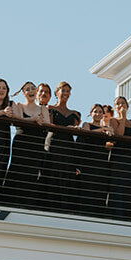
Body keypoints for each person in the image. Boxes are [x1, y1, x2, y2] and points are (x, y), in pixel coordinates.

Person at [49, 81, 82, 209]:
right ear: (57, 93)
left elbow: (76, 128)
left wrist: (74, 129)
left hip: (68, 146)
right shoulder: (50, 109)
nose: (65, 93)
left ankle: (66, 205)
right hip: (55, 143)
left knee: (67, 172)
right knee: (54, 171)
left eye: (68, 91)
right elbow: (49, 126)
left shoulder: (75, 113)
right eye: (63, 90)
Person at [106, 93, 131, 220]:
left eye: (123, 103)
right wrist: (123, 117)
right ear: (114, 107)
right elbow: (119, 134)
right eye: (118, 103)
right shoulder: (113, 120)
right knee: (118, 185)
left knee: (129, 186)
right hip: (119, 155)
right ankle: (117, 215)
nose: (121, 105)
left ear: (127, 106)